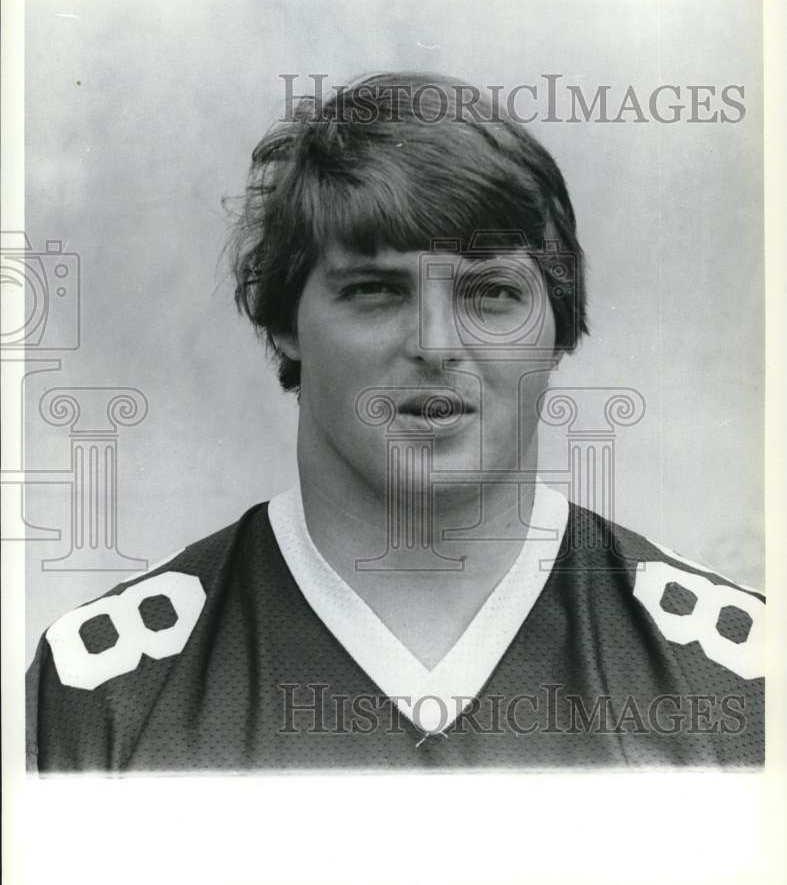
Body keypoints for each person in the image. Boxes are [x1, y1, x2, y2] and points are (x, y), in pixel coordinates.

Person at [26, 72, 764, 772]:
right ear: (284, 322)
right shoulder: (105, 690)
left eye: (491, 293)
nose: (436, 344)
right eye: (376, 291)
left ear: (559, 327)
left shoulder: (740, 677)